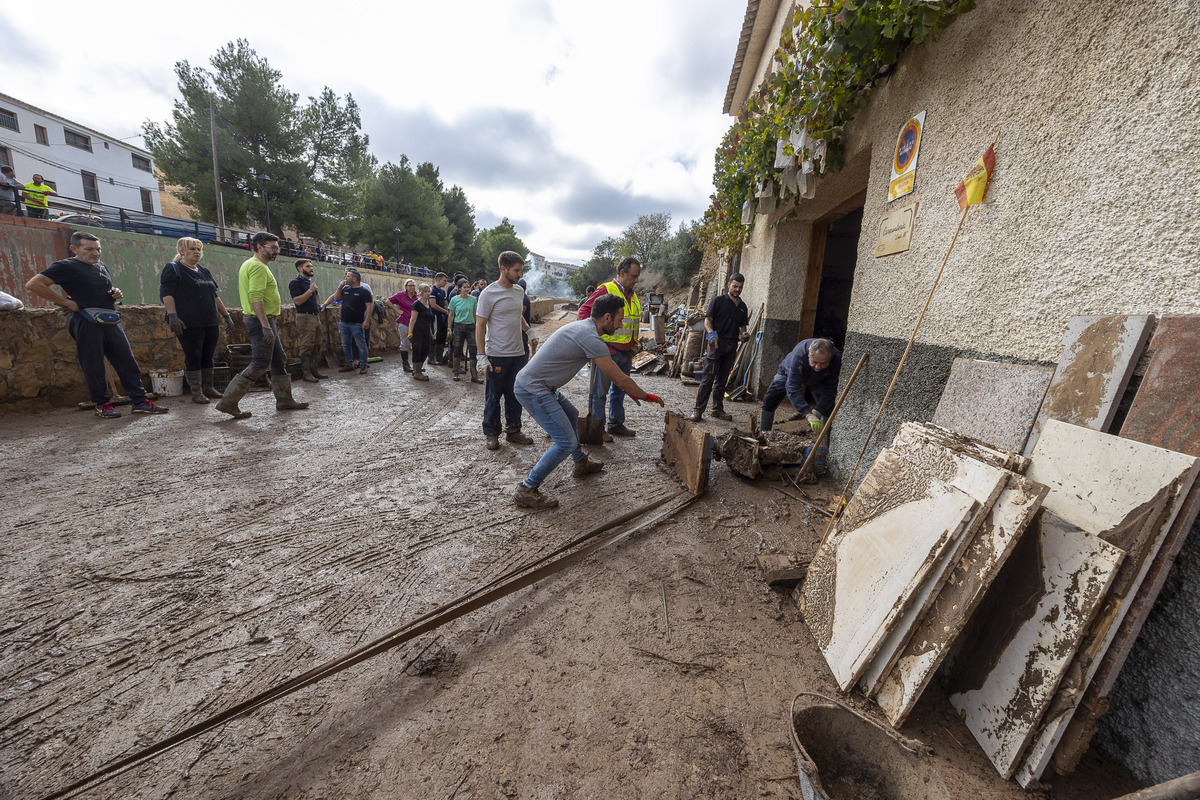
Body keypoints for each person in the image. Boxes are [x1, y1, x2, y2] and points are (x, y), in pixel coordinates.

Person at [512, 293, 665, 509]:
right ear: (607, 317)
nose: (621, 325)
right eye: (620, 320)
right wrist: (646, 396)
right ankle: (526, 488)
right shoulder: (590, 337)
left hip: (542, 387)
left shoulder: (584, 328)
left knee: (573, 416)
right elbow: (620, 378)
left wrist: (631, 390)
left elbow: (617, 378)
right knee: (565, 442)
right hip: (533, 389)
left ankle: (581, 463)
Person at [25, 231, 168, 418]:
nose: (95, 253)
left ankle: (140, 401)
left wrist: (114, 292)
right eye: (89, 249)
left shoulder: (100, 265)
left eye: (98, 249)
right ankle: (103, 404)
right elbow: (33, 284)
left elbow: (102, 289)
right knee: (93, 365)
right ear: (74, 249)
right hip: (85, 321)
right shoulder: (65, 266)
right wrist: (67, 303)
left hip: (110, 319)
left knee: (127, 360)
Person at [216, 232, 309, 418]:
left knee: (278, 359)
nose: (276, 251)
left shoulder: (252, 264)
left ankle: (284, 399)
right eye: (272, 247)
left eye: (277, 248)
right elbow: (255, 297)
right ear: (259, 247)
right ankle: (228, 402)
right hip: (261, 320)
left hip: (264, 319)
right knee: (259, 362)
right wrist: (265, 325)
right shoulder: (257, 267)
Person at [160, 237, 234, 404]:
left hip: (210, 321)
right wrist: (172, 315)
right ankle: (196, 390)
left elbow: (214, 295)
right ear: (181, 251)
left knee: (208, 355)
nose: (196, 252)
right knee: (193, 355)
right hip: (188, 322)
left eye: (199, 249)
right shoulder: (173, 269)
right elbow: (167, 293)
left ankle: (208, 387)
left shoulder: (203, 270)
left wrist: (226, 315)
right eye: (192, 249)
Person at [577, 257, 642, 437]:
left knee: (620, 390)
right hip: (607, 352)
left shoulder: (633, 294)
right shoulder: (607, 290)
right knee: (600, 392)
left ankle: (615, 424)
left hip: (626, 352)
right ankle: (598, 429)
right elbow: (583, 312)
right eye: (634, 276)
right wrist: (596, 343)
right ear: (622, 273)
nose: (636, 280)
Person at [476, 252, 534, 450]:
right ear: (503, 269)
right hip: (497, 354)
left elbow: (518, 317)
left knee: (515, 394)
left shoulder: (519, 292)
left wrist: (530, 331)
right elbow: (480, 325)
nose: (519, 274)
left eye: (521, 270)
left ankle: (514, 430)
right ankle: (491, 433)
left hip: (518, 353)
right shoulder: (489, 293)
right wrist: (481, 356)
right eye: (516, 270)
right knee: (493, 396)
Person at [691, 273, 749, 422]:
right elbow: (707, 321)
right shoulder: (718, 301)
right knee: (708, 379)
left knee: (722, 380)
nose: (737, 289)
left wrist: (744, 334)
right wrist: (711, 336)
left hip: (731, 346)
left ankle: (717, 409)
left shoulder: (742, 307)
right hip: (716, 345)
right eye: (735, 286)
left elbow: (743, 326)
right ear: (728, 285)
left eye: (740, 287)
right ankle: (698, 410)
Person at [759, 338, 843, 433]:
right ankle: (764, 433)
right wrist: (807, 413)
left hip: (820, 378)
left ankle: (825, 444)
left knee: (827, 406)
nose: (818, 366)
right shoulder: (799, 355)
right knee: (771, 397)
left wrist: (818, 411)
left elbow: (831, 389)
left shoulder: (836, 359)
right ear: (808, 353)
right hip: (788, 372)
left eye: (823, 363)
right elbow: (792, 387)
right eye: (815, 362)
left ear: (831, 357)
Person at [324, 268, 373, 375]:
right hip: (344, 322)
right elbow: (336, 298)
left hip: (357, 323)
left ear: (354, 279)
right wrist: (339, 287)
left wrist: (366, 321)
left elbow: (369, 307)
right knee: (346, 344)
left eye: (348, 276)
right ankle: (349, 364)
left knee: (361, 344)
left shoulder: (364, 291)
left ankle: (363, 364)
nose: (346, 277)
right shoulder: (345, 288)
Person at [288, 259, 325, 382]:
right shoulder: (295, 283)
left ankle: (314, 370)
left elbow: (316, 295)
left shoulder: (309, 283)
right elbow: (297, 300)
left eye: (311, 266)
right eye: (308, 266)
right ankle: (306, 373)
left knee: (317, 344)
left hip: (314, 316)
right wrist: (310, 291)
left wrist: (318, 305)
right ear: (300, 268)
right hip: (305, 316)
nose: (311, 268)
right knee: (306, 345)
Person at [448, 279, 481, 383]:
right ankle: (456, 373)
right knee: (457, 350)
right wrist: (449, 328)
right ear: (459, 288)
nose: (467, 289)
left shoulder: (473, 300)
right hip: (458, 326)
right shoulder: (454, 300)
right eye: (465, 287)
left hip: (471, 326)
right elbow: (451, 315)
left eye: (468, 287)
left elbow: (475, 314)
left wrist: (476, 326)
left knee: (473, 350)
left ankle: (474, 375)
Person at [385, 279, 418, 373]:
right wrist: (397, 310)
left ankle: (416, 364)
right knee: (406, 343)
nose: (412, 287)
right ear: (406, 287)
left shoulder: (417, 296)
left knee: (416, 344)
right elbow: (388, 301)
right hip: (405, 322)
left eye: (413, 285)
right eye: (410, 285)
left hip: (416, 323)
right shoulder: (400, 295)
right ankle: (405, 364)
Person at [406, 283, 436, 381]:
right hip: (418, 331)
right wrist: (410, 332)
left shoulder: (428, 305)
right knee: (417, 350)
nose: (427, 294)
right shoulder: (417, 304)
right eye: (425, 292)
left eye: (428, 292)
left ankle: (418, 368)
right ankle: (416, 371)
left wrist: (431, 333)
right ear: (421, 293)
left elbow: (429, 321)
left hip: (426, 331)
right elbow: (413, 319)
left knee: (426, 350)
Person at [429, 272, 450, 365]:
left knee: (442, 336)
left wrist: (448, 310)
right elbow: (433, 305)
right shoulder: (432, 290)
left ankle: (439, 357)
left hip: (442, 317)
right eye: (444, 280)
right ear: (438, 280)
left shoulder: (442, 291)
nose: (446, 282)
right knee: (434, 336)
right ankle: (431, 358)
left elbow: (446, 303)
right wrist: (445, 311)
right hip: (435, 316)